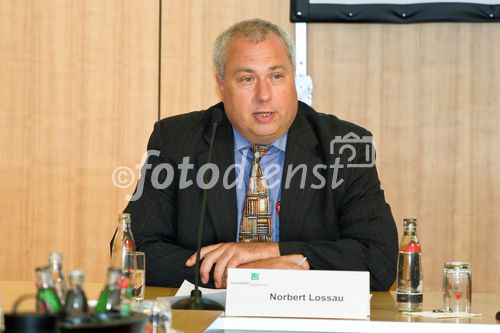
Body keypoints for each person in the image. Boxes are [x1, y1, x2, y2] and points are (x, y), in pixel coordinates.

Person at [123, 18, 398, 291]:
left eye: (276, 76)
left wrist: (273, 253)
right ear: (220, 83)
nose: (264, 95)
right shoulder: (176, 140)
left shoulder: (344, 146)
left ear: (294, 77)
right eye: (247, 79)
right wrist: (240, 274)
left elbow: (380, 260)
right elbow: (133, 251)